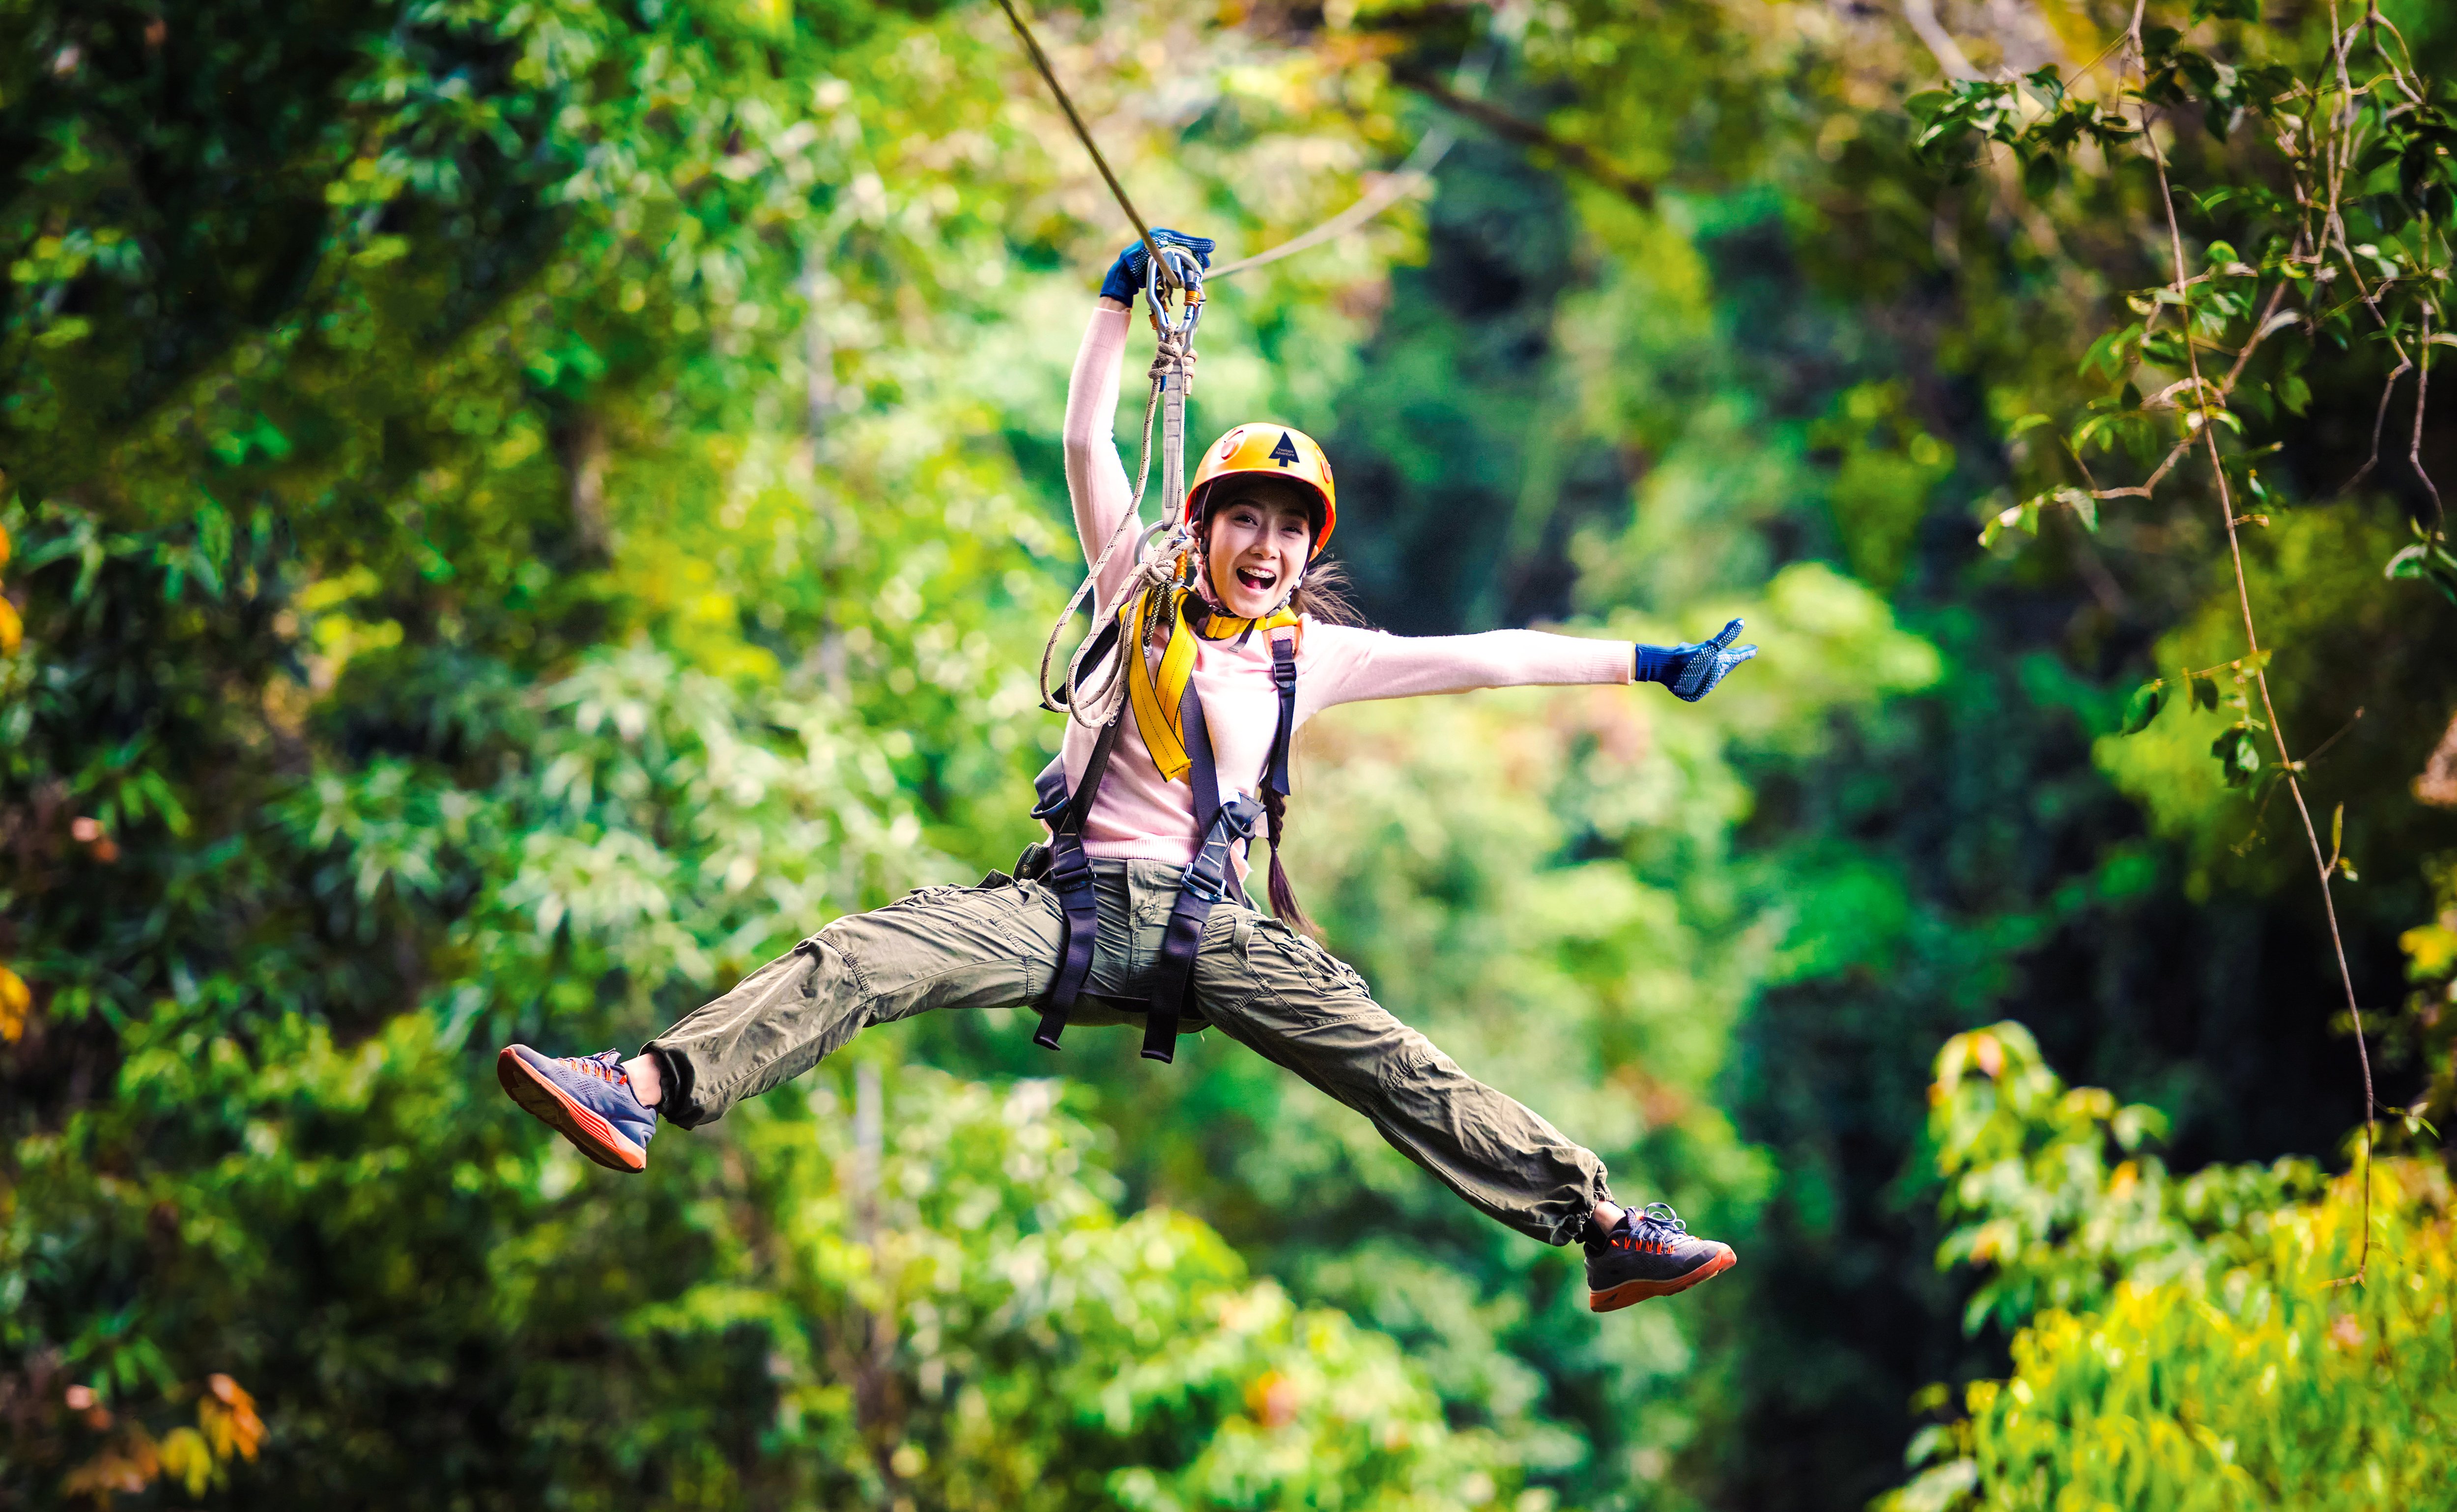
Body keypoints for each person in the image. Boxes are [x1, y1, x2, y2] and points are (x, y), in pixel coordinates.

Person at [498, 230, 1760, 1313]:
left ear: (1304, 547)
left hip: (1215, 929)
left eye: (1285, 527)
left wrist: (1650, 662)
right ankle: (642, 1085)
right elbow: (1086, 439)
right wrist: (1117, 304)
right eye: (1242, 520)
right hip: (1068, 906)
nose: (1262, 546)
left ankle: (1601, 1230)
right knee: (863, 956)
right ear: (1202, 527)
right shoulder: (1130, 591)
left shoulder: (1307, 658)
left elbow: (1486, 659)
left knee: (1393, 1062)